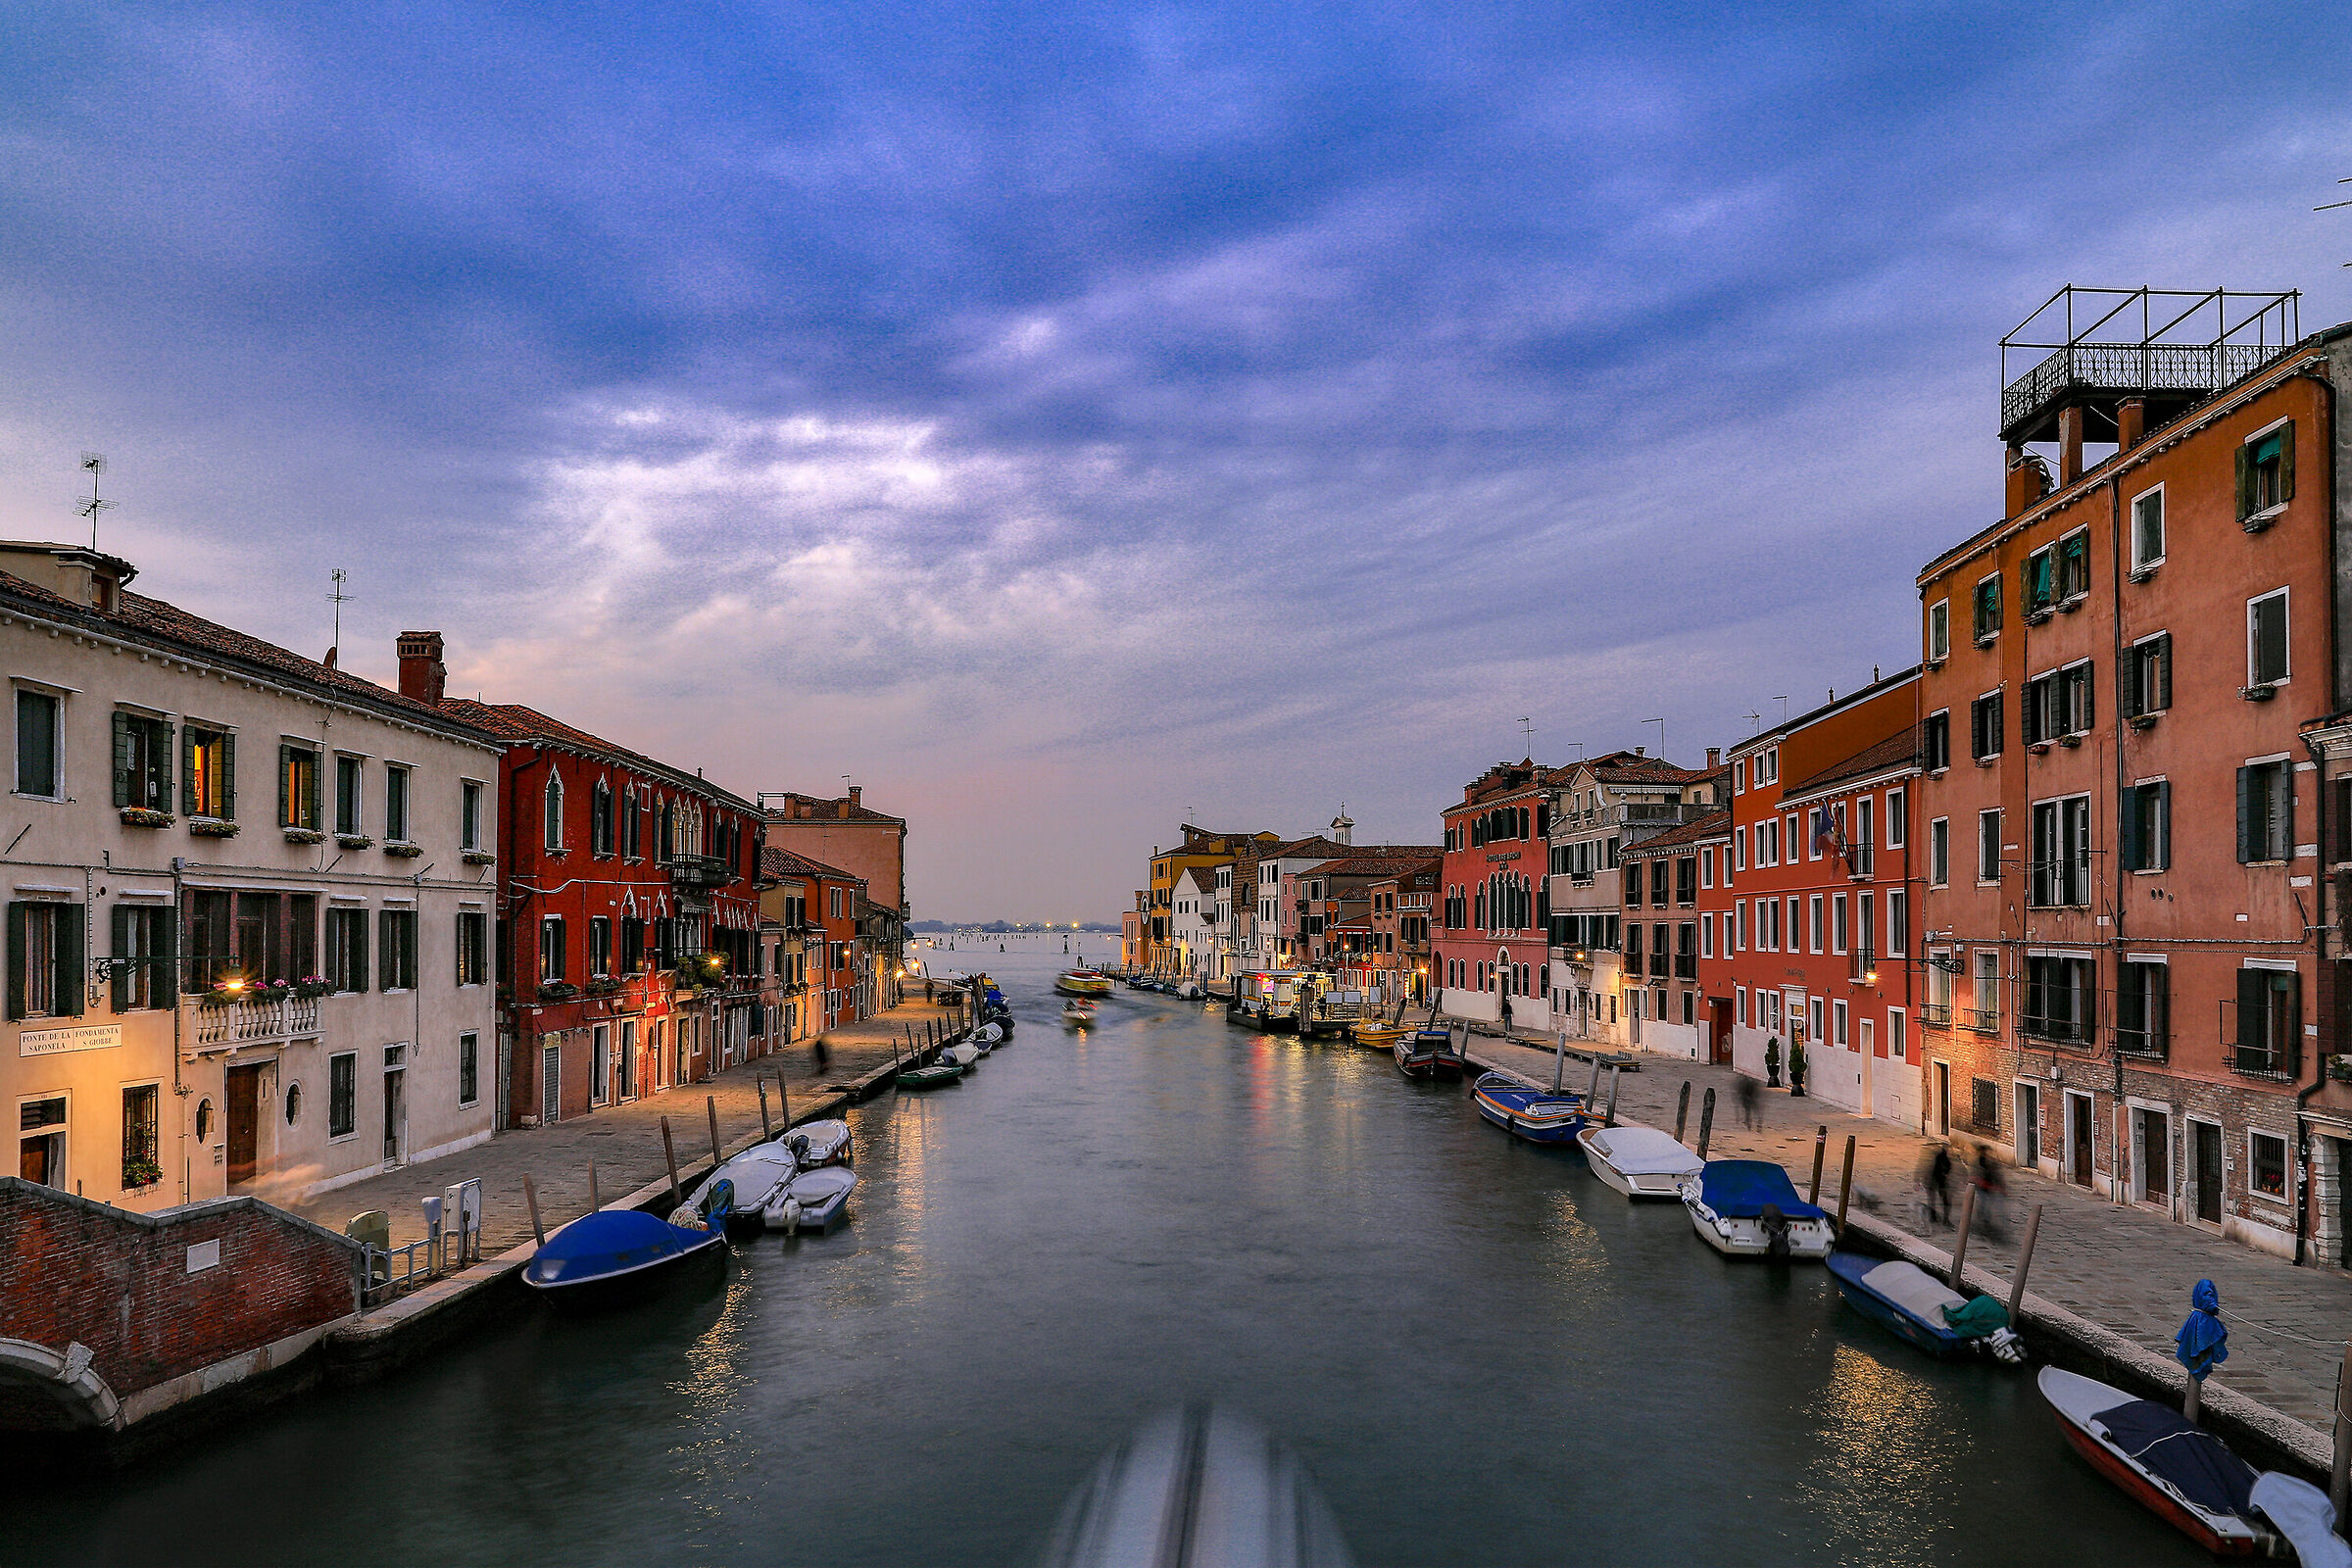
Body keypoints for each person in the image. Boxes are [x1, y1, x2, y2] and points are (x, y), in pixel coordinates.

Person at [1924, 1143, 1954, 1227]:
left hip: (1936, 1182)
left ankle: (1934, 1217)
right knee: (1943, 1201)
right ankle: (1943, 1218)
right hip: (1939, 1182)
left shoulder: (1939, 1159)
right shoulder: (1944, 1160)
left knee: (1933, 1200)